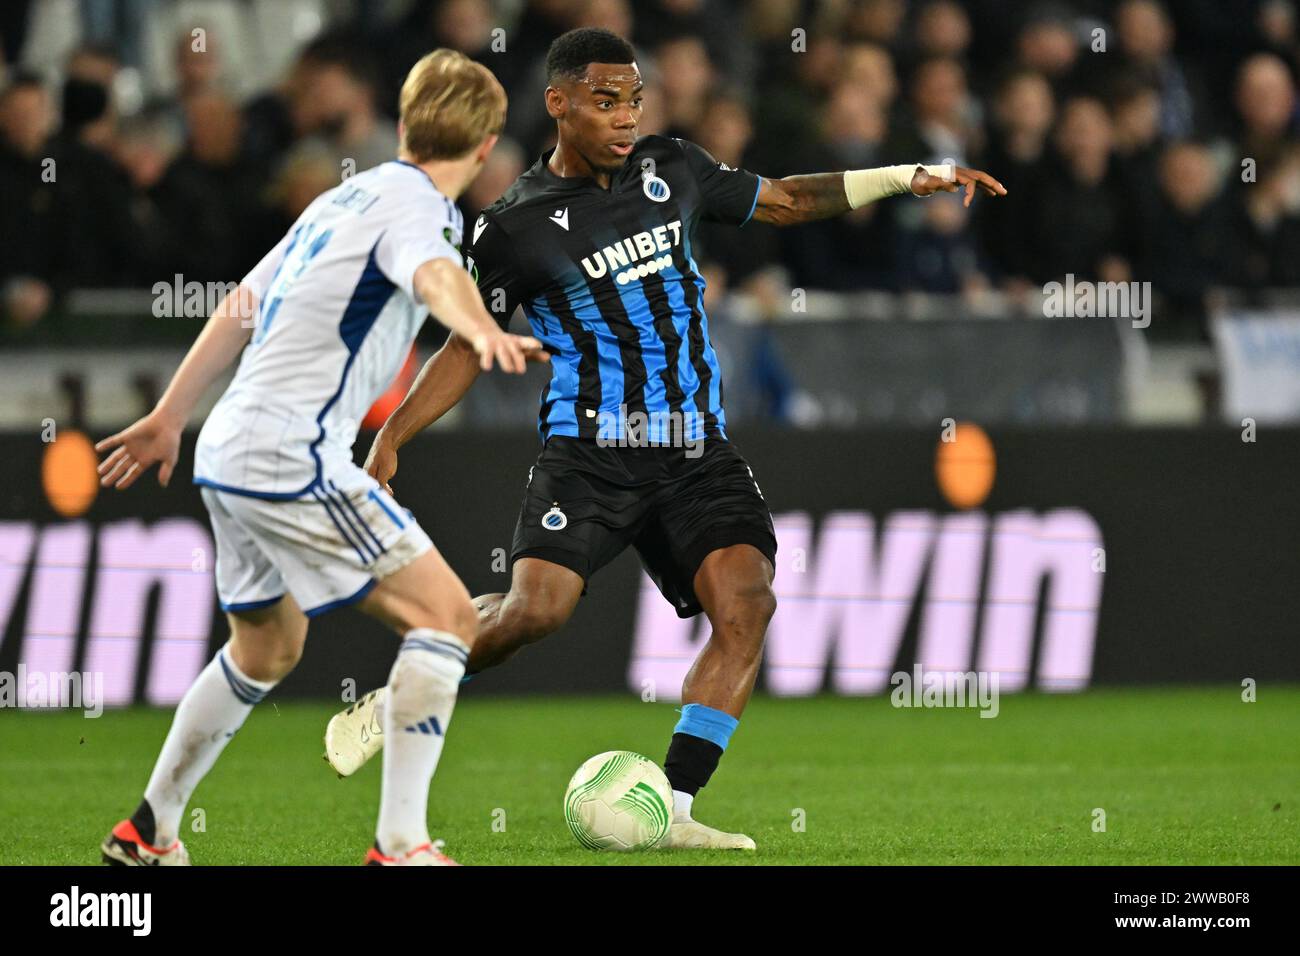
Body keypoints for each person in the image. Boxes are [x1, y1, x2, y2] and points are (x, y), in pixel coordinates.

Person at [323, 28, 1004, 851]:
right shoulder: (514, 228)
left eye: (634, 99)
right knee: (535, 615)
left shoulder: (673, 168)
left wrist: (908, 176)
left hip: (695, 450)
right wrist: (393, 436)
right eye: (605, 100)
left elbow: (786, 200)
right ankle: (404, 691)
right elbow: (468, 343)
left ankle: (675, 806)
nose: (624, 116)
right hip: (590, 451)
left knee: (747, 605)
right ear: (559, 103)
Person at [95, 49, 543, 867]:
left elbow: (240, 304)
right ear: (485, 152)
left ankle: (148, 833)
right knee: (445, 618)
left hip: (227, 445)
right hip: (290, 454)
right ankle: (400, 847)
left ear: (404, 124)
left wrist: (170, 415)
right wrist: (477, 327)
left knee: (266, 648)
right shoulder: (422, 211)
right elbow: (437, 273)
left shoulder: (346, 195)